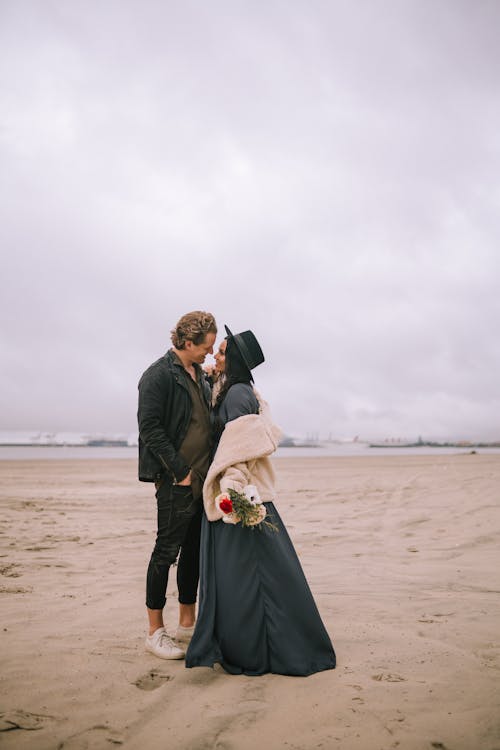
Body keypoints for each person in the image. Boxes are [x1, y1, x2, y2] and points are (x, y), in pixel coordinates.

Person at [186, 326, 336, 676]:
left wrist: (231, 493)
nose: (215, 357)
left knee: (248, 578)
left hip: (239, 498)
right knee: (251, 576)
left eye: (222, 352)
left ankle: (260, 651)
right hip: (237, 494)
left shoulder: (238, 394)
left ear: (235, 359)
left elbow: (240, 451)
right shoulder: (234, 388)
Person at [137, 310, 217, 659]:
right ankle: (155, 632)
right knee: (165, 553)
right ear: (188, 342)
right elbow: (150, 428)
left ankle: (188, 623)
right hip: (176, 481)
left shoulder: (200, 374)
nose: (209, 353)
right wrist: (180, 471)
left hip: (204, 481)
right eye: (206, 347)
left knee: (193, 555)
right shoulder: (157, 376)